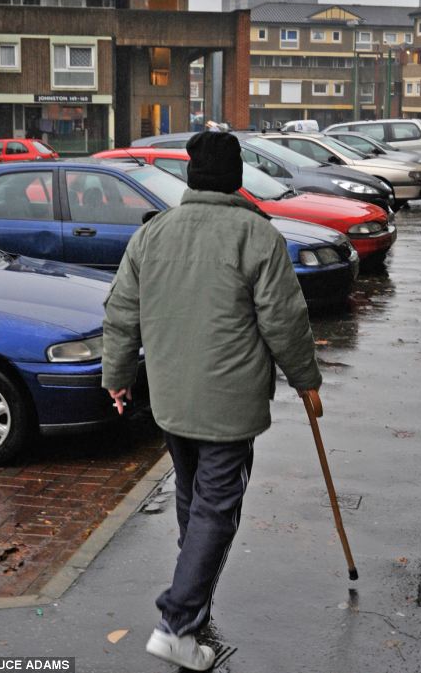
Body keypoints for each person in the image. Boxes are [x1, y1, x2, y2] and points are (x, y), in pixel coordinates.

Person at [102, 130, 321, 671]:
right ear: (237, 178)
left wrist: (118, 376)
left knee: (194, 497)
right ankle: (177, 620)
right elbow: (284, 320)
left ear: (190, 178)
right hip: (229, 403)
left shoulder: (153, 234)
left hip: (173, 397)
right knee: (217, 507)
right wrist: (305, 379)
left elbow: (120, 312)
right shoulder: (256, 234)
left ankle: (190, 595)